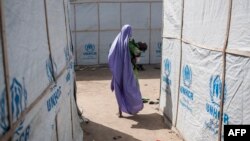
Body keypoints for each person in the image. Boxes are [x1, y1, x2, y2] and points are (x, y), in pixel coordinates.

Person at [108, 24, 143, 117]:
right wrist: (136, 58)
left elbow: (110, 55)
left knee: (119, 90)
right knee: (132, 89)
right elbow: (138, 52)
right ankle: (134, 108)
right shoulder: (129, 43)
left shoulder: (116, 42)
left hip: (118, 70)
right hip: (130, 71)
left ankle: (119, 111)